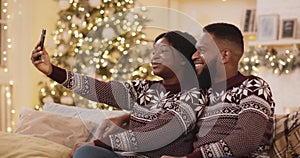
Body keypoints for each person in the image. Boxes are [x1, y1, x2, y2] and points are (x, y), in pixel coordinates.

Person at [102, 23, 276, 158]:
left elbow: (246, 139)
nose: (194, 56)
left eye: (202, 50)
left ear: (224, 56)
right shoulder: (202, 93)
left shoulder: (253, 86)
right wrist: (128, 116)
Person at [31, 30, 210, 158]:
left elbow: (157, 133)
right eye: (154, 51)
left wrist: (98, 143)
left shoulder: (194, 96)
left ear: (183, 59)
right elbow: (100, 90)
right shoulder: (145, 88)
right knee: (86, 154)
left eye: (163, 51)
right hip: (125, 155)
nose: (154, 57)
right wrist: (51, 70)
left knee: (88, 150)